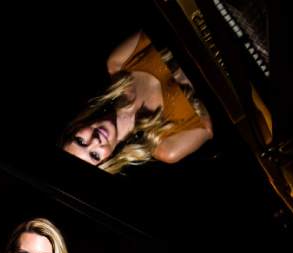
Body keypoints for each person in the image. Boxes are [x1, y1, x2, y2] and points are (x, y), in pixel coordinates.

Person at [62, 31, 213, 173]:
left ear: (77, 126)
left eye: (80, 141)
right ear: (108, 160)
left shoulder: (117, 64)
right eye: (95, 155)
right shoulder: (167, 148)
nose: (95, 141)